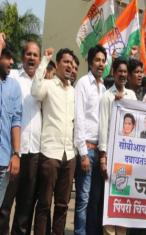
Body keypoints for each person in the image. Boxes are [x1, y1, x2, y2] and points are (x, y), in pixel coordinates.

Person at [31, 47, 76, 235]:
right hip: (50, 153)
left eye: (72, 64)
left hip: (70, 155)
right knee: (44, 204)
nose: (69, 66)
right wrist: (44, 61)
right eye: (65, 62)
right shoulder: (48, 85)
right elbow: (34, 91)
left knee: (63, 205)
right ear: (57, 64)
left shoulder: (74, 91)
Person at [0, 40, 41, 234]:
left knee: (25, 207)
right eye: (29, 54)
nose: (32, 58)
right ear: (22, 57)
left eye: (35, 55)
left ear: (40, 60)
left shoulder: (44, 83)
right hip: (13, 151)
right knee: (5, 205)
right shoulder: (12, 76)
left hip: (34, 152)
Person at [98, 58, 136, 235]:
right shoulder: (107, 97)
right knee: (110, 199)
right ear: (113, 73)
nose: (122, 74)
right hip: (112, 156)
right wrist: (103, 157)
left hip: (127, 156)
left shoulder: (132, 96)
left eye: (124, 72)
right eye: (119, 71)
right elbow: (103, 127)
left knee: (123, 197)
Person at [73, 45, 107, 235]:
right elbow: (79, 119)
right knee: (83, 199)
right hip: (86, 149)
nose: (101, 63)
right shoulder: (82, 84)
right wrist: (84, 154)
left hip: (99, 151)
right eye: (97, 60)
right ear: (90, 62)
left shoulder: (103, 88)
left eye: (103, 60)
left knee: (95, 199)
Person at [0, 35, 22, 208]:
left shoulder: (14, 86)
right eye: (7, 57)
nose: (12, 62)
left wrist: (16, 154)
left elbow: (16, 121)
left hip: (3, 160)